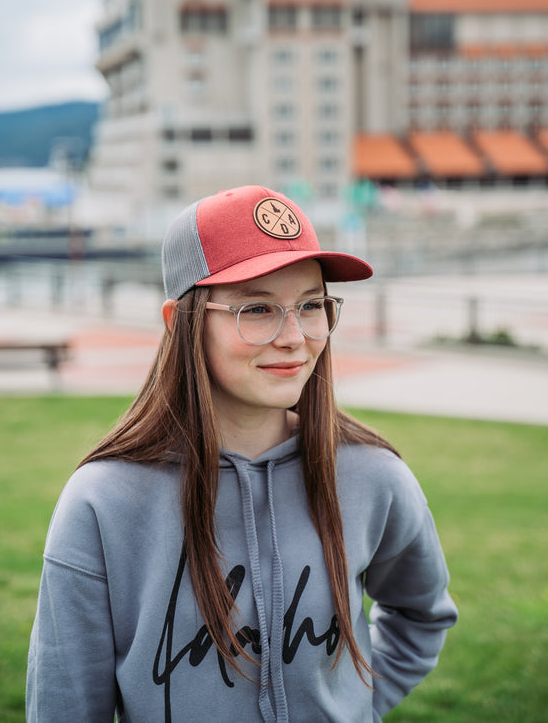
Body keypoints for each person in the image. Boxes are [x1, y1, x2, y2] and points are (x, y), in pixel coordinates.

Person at [26, 184, 457, 723]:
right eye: (256, 308)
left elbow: (422, 613)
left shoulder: (374, 476)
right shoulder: (103, 501)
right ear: (179, 321)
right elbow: (63, 702)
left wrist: (356, 705)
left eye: (311, 305)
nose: (294, 337)